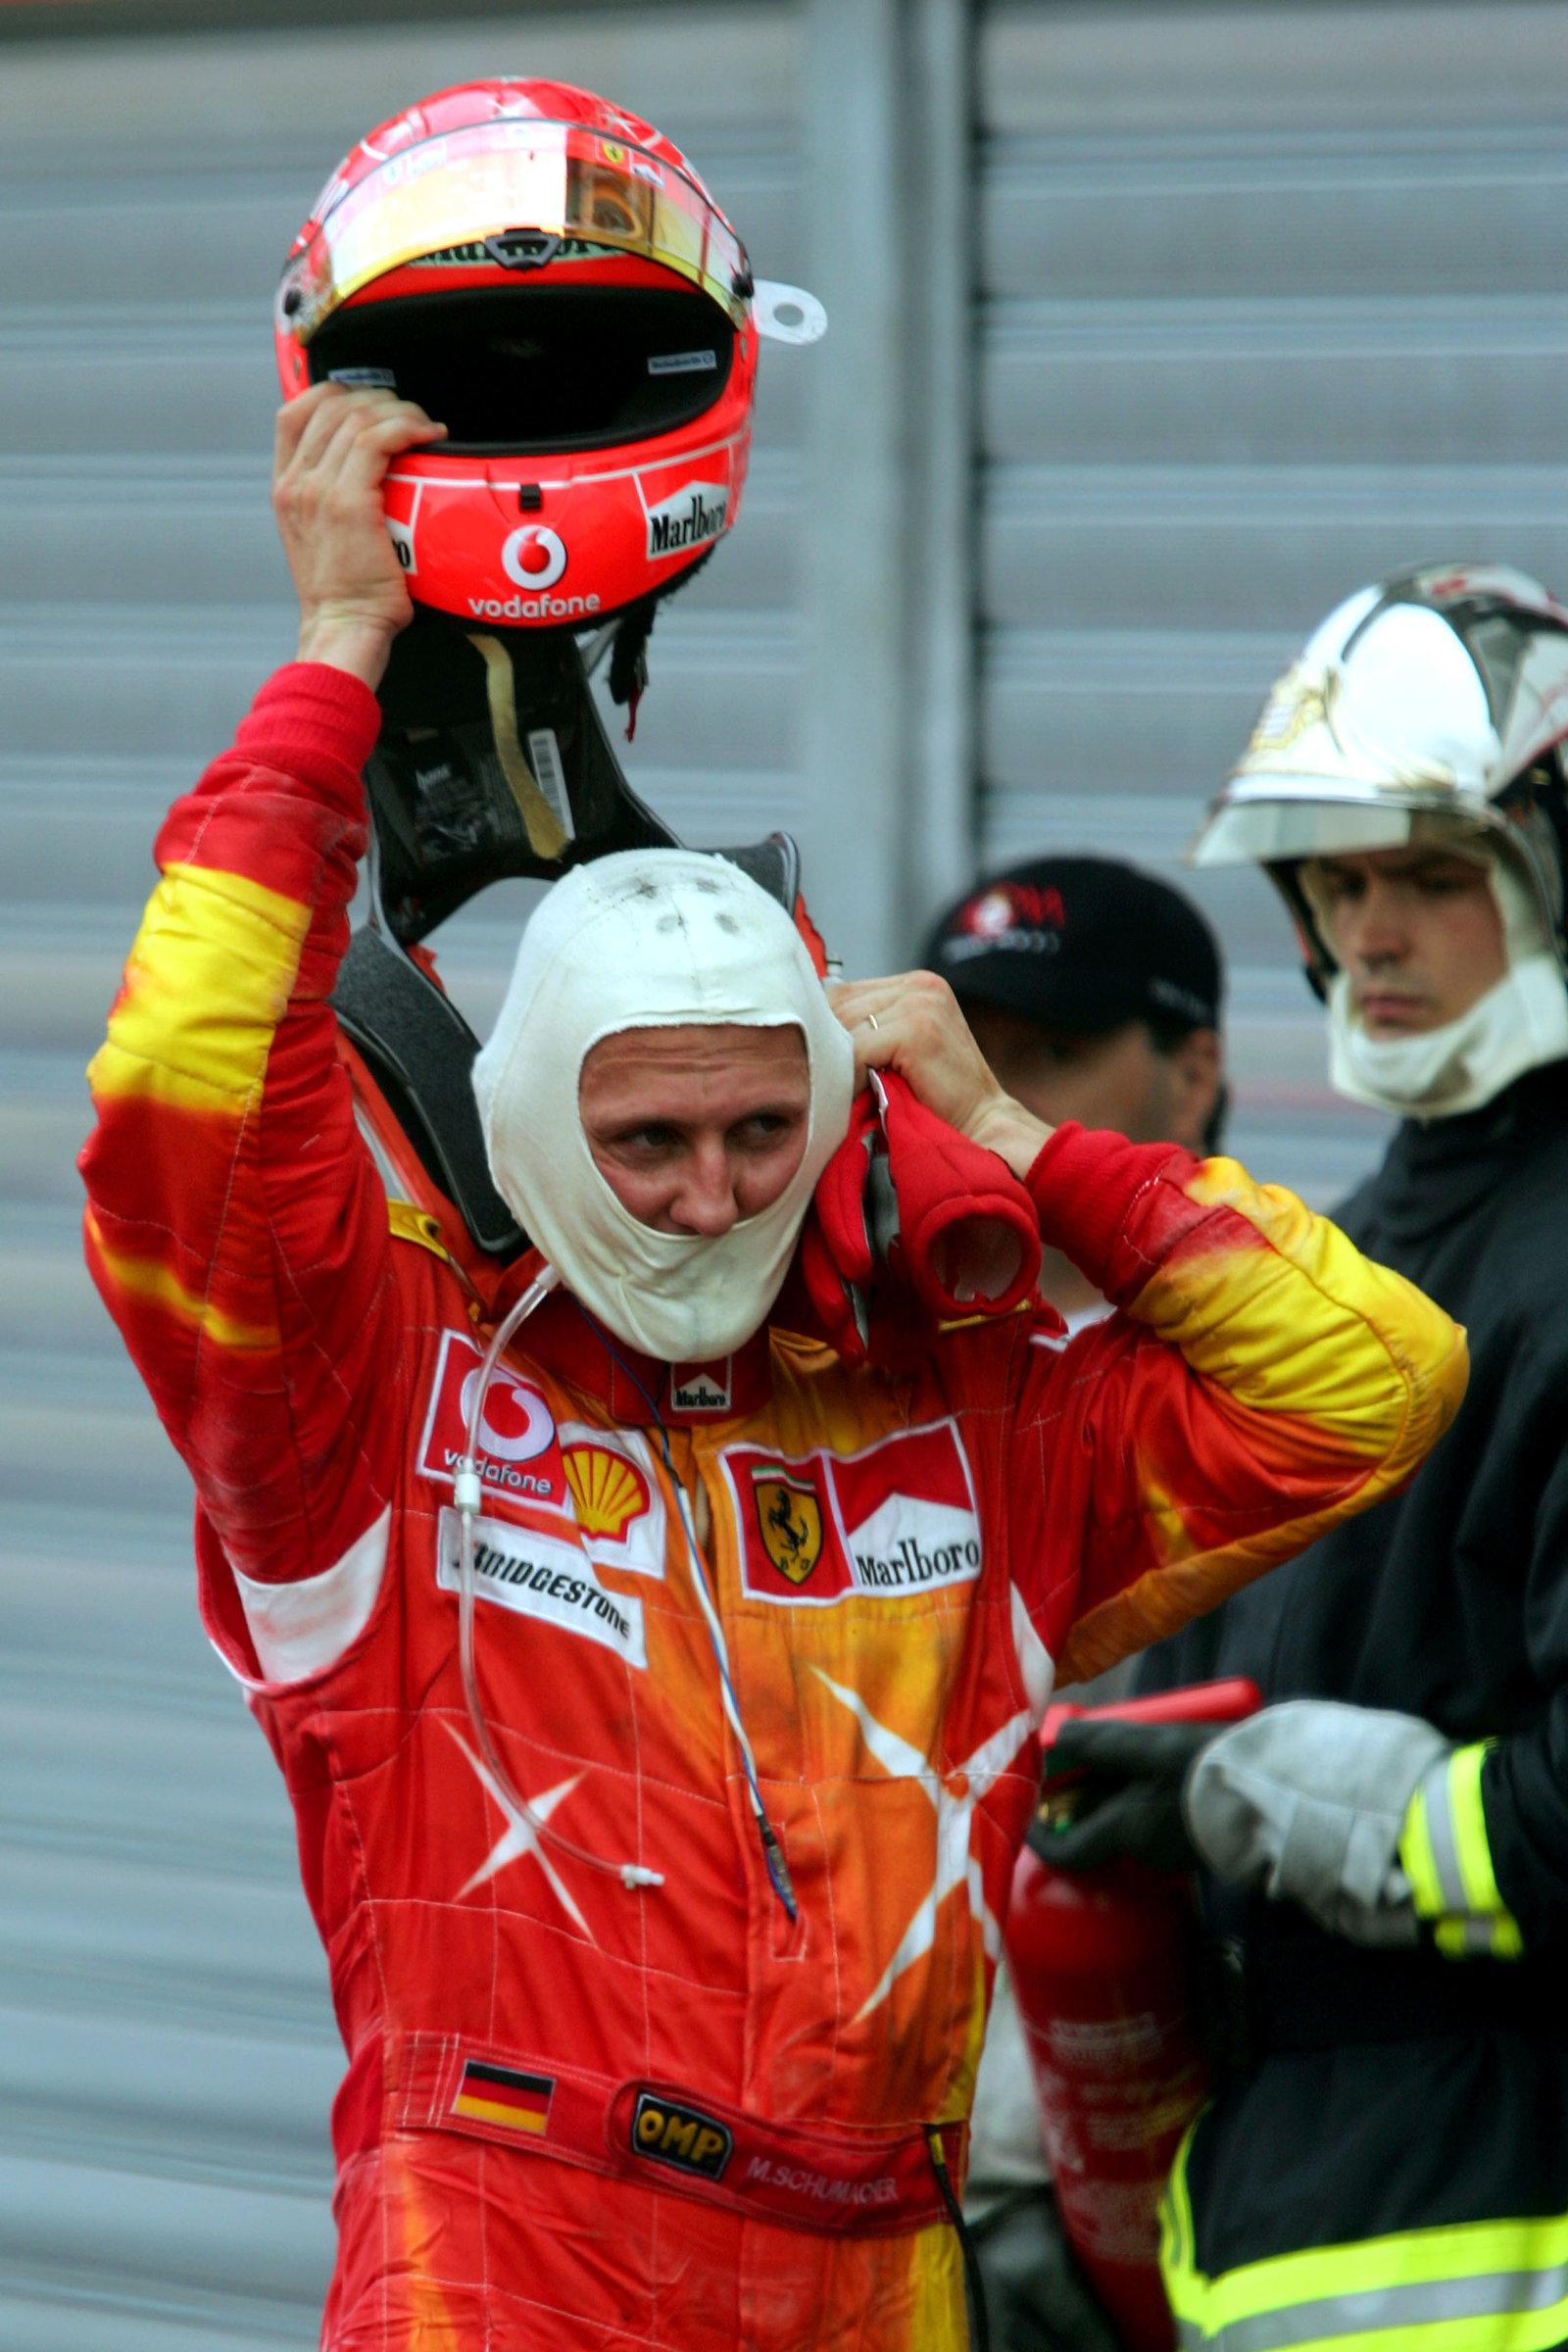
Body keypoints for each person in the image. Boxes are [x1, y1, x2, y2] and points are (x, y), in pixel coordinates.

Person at [77, 391, 1465, 2352]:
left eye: (758, 1132)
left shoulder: (957, 1422)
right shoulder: (363, 1414)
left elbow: (1364, 1385)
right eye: (644, 1143)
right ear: (530, 1126)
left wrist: (1024, 1139)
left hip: (873, 2259)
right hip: (507, 2236)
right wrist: (335, 653)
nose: (710, 1193)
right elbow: (181, 1099)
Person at [1048, 564, 1568, 2351]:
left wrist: (1297, 1802)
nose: (1373, 938)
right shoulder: (1333, 1275)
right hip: (1270, 2229)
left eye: (1432, 878)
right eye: (1339, 884)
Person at [925, 858, 1228, 2351]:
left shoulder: (1265, 1409)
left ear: (1197, 1068)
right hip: (875, 2190)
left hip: (1163, 2204)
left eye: (1044, 1059)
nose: (991, 1106)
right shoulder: (853, 1369)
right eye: (962, 1062)